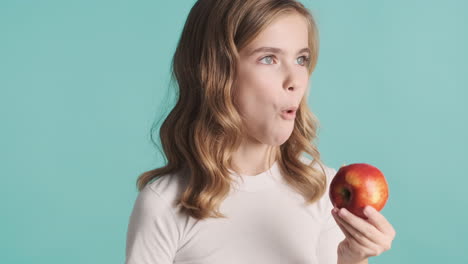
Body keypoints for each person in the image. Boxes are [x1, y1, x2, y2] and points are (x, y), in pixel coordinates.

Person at [125, 0, 396, 263]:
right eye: (269, 59)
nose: (295, 80)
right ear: (217, 73)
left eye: (301, 59)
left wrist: (353, 259)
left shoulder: (321, 190)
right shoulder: (165, 203)